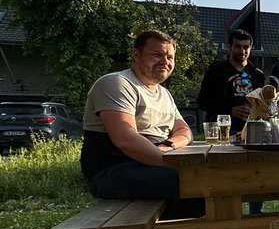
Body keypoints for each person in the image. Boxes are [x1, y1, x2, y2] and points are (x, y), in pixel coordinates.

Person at [80, 30, 203, 217]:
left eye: (170, 57)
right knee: (193, 183)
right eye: (157, 55)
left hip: (149, 165)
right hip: (113, 170)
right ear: (136, 55)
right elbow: (125, 139)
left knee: (206, 180)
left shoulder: (164, 94)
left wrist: (167, 145)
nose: (165, 61)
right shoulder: (117, 83)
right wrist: (170, 162)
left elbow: (185, 131)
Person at [196, 29, 264, 124]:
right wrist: (230, 110)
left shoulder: (258, 74)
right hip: (222, 129)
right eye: (237, 46)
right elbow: (202, 102)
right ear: (230, 46)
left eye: (246, 47)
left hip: (251, 128)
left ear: (250, 48)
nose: (242, 51)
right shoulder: (216, 71)